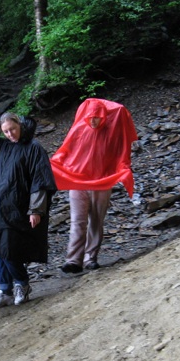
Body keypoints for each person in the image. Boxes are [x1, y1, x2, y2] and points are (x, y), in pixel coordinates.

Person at [0, 112, 57, 309]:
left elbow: (40, 180)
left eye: (13, 129)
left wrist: (36, 210)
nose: (10, 134)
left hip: (17, 209)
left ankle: (22, 284)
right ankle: (5, 291)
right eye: (5, 131)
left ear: (20, 125)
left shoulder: (33, 148)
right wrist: (1, 119)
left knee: (8, 249)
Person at [50, 98, 137, 273]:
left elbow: (121, 149)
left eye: (97, 117)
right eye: (90, 117)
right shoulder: (79, 129)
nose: (93, 120)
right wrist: (55, 163)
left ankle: (91, 258)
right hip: (78, 180)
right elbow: (65, 150)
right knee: (77, 220)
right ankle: (74, 260)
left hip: (102, 181)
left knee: (96, 220)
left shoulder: (112, 131)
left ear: (104, 116)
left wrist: (122, 170)